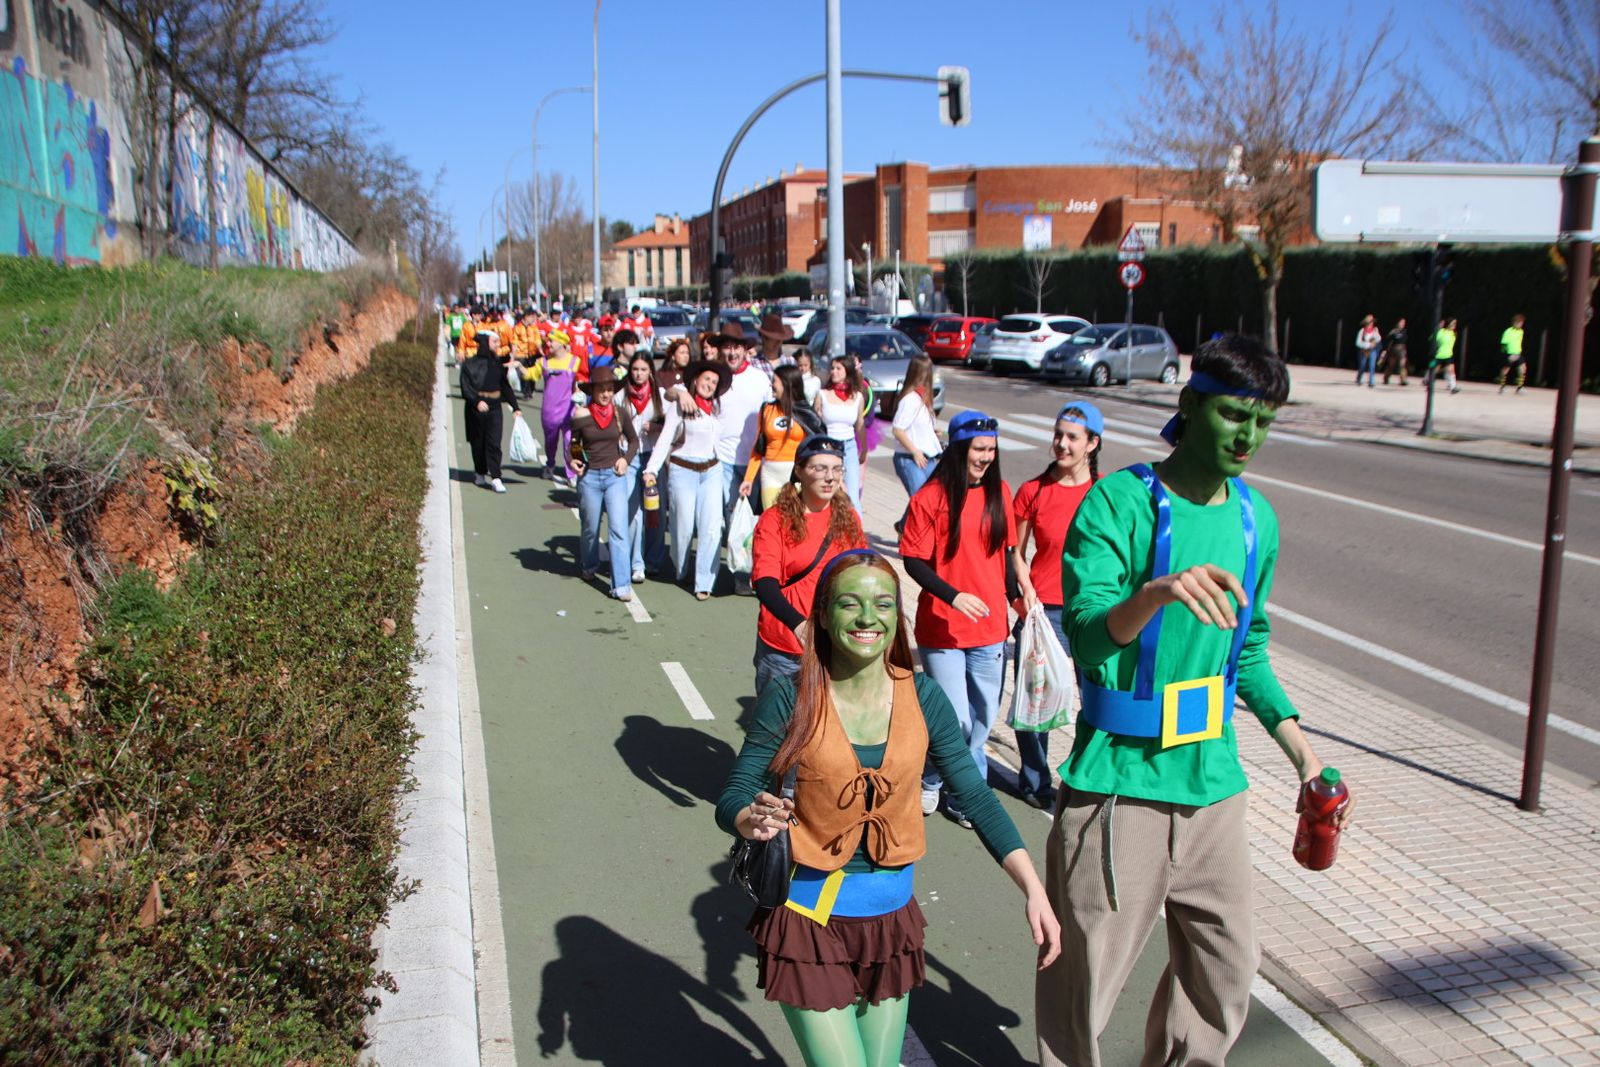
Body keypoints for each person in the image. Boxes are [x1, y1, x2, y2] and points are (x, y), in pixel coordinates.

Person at [1035, 334, 1357, 1067]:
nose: (1248, 436)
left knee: (1226, 971)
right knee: (1083, 984)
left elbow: (1248, 649)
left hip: (1215, 788)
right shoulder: (1119, 501)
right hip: (1119, 790)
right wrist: (1154, 592)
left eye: (1263, 421)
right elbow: (1087, 639)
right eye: (1234, 415)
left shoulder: (1255, 520)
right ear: (1190, 405)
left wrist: (1307, 758)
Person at [716, 551, 1060, 1067]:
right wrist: (751, 817)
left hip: (891, 922)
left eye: (882, 604)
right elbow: (735, 792)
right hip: (808, 916)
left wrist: (1033, 887)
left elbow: (974, 793)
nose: (866, 618)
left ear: (897, 616)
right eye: (849, 604)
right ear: (824, 616)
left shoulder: (924, 697)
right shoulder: (792, 697)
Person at [899, 410, 1037, 828]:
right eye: (979, 449)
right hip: (942, 627)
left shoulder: (1000, 492)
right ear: (959, 450)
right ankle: (966, 795)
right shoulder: (930, 497)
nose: (986, 457)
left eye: (992, 450)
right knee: (956, 719)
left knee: (982, 717)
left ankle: (936, 774)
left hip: (991, 629)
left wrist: (1021, 598)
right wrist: (952, 595)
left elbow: (1007, 558)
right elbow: (913, 561)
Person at [1009, 402, 1102, 809]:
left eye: (1072, 437)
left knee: (1098, 698)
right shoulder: (1033, 491)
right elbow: (1016, 548)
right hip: (1043, 612)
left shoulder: (1104, 493)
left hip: (1095, 611)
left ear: (1092, 444)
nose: (1061, 444)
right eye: (1058, 435)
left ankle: (1090, 775)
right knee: (1035, 700)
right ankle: (1035, 780)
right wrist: (1025, 589)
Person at [749, 436, 868, 696]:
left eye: (837, 469)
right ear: (799, 470)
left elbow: (863, 575)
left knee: (823, 732)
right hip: (786, 647)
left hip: (834, 646)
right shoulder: (775, 520)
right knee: (776, 731)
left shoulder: (848, 518)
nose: (830, 477)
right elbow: (765, 584)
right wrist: (799, 624)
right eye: (819, 468)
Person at [644, 360, 730, 601]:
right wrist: (651, 469)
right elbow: (665, 439)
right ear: (695, 380)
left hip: (712, 470)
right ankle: (680, 566)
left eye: (714, 382)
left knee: (712, 528)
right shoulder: (681, 405)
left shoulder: (717, 408)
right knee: (682, 529)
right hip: (683, 470)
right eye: (706, 379)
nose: (709, 385)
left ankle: (704, 582)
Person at [569, 361, 641, 601]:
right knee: (590, 529)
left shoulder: (620, 414)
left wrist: (626, 460)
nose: (605, 394)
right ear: (592, 392)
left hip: (614, 476)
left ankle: (621, 585)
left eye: (609, 389)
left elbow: (633, 441)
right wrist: (575, 460)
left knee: (618, 529)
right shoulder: (582, 415)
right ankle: (589, 566)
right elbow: (575, 445)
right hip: (589, 478)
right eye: (601, 389)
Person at [459, 332, 523, 494]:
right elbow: (465, 387)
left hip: (495, 408)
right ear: (486, 343)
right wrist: (476, 401)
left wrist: (515, 407)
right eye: (494, 342)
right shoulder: (470, 364)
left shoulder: (496, 363)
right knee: (478, 443)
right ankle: (480, 472)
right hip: (476, 409)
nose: (497, 345)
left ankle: (496, 477)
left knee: (494, 443)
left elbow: (505, 386)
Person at [623, 351, 668, 582]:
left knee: (655, 511)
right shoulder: (621, 395)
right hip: (629, 458)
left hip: (653, 459)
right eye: (635, 369)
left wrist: (657, 425)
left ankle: (653, 559)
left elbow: (672, 425)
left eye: (643, 369)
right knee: (634, 512)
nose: (639, 374)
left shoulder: (660, 396)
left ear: (651, 371)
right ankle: (636, 562)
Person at [742, 365, 814, 508]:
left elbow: (816, 446)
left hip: (797, 476)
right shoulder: (766, 409)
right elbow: (758, 448)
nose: (771, 384)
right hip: (770, 475)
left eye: (774, 381)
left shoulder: (805, 412)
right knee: (772, 521)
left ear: (786, 384)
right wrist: (748, 479)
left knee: (797, 523)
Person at [816, 355, 867, 512]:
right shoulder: (823, 394)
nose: (834, 372)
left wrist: (864, 449)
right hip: (829, 447)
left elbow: (859, 424)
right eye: (832, 368)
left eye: (838, 368)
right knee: (832, 493)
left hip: (849, 446)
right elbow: (815, 424)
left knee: (852, 496)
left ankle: (857, 532)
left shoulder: (857, 397)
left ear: (848, 371)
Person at [528, 333, 581, 485]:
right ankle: (550, 464)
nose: (548, 344)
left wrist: (579, 393)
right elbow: (531, 374)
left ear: (562, 343)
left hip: (569, 410)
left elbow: (581, 381)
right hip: (549, 410)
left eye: (552, 341)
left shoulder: (575, 361)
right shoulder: (543, 362)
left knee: (571, 441)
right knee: (551, 442)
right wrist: (518, 368)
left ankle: (573, 473)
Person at [889, 356, 941, 503]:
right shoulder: (910, 400)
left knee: (930, 500)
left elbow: (914, 427)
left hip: (927, 456)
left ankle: (904, 525)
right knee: (921, 501)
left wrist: (931, 432)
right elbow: (898, 429)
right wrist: (915, 452)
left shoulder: (923, 398)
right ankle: (905, 525)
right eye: (926, 372)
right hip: (910, 458)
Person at [1497, 313, 1527, 394]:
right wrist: (1507, 354)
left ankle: (1519, 387)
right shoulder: (1508, 331)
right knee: (1506, 369)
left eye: (1521, 323)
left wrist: (1518, 353)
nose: (1520, 324)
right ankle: (1502, 387)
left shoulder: (1521, 331)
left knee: (1523, 368)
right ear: (1514, 322)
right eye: (1519, 322)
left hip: (1518, 353)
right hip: (1509, 353)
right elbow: (1503, 344)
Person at [1433, 318, 1459, 393]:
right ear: (1449, 323)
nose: (1454, 325)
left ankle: (1453, 387)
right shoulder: (1441, 332)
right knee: (1435, 371)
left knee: (1451, 370)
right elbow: (1434, 340)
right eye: (1453, 323)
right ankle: (1430, 384)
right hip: (1440, 354)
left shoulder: (1453, 333)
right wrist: (1439, 328)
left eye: (1455, 323)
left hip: (1449, 354)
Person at [1355, 314, 1381, 388]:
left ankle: (1371, 381)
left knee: (1372, 366)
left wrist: (1377, 335)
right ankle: (1359, 378)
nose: (1371, 323)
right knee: (1362, 365)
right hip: (1363, 351)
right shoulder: (1362, 331)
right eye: (1370, 321)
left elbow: (1378, 339)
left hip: (1372, 350)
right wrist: (1367, 345)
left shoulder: (1375, 330)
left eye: (1372, 321)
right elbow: (1358, 343)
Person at [1382, 317, 1409, 385]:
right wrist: (1385, 350)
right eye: (1401, 322)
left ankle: (1403, 380)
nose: (1402, 324)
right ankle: (1386, 378)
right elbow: (1387, 341)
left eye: (1404, 323)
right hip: (1393, 349)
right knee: (1391, 365)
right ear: (1398, 323)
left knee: (1402, 365)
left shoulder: (1405, 331)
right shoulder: (1393, 331)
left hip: (1402, 349)